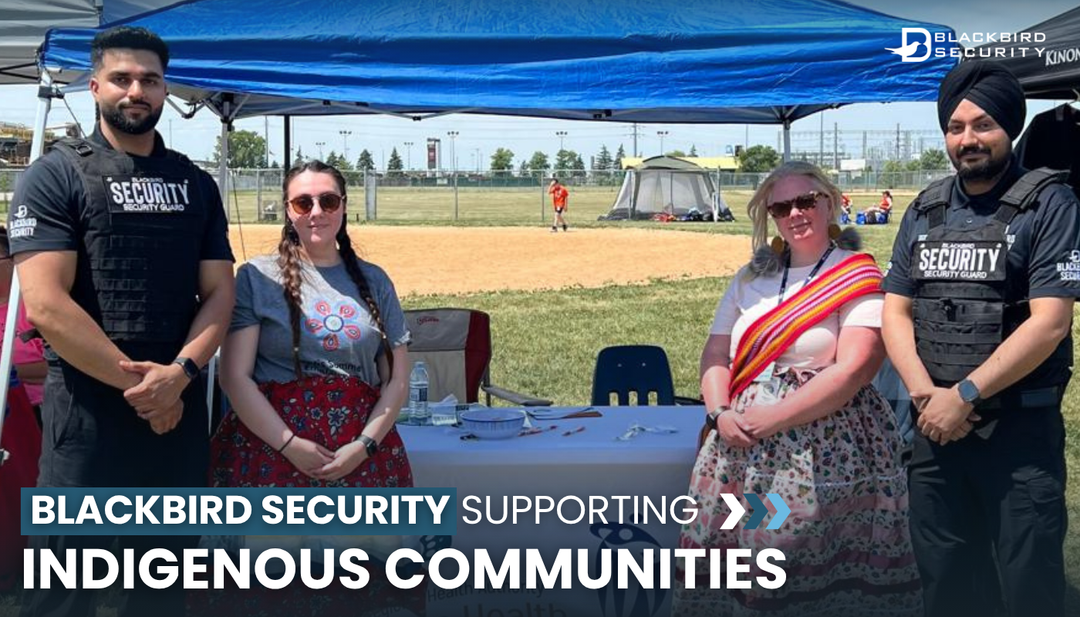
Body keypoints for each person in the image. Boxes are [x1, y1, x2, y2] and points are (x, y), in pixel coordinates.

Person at [10, 26, 235, 617]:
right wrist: (147, 390)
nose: (137, 90)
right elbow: (47, 306)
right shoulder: (54, 175)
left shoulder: (196, 184)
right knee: (66, 592)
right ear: (94, 86)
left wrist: (181, 374)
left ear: (165, 91)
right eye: (122, 78)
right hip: (87, 418)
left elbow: (219, 295)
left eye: (151, 80)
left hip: (177, 413)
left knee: (160, 589)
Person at [676, 161, 920, 617]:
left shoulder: (858, 275)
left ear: (829, 202)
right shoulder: (750, 279)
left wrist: (771, 418)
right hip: (740, 446)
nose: (795, 214)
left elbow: (855, 369)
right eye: (781, 206)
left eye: (805, 201)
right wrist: (719, 413)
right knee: (743, 561)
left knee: (802, 561)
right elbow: (716, 355)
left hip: (829, 450)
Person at [882, 60, 1080, 617]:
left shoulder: (1050, 203)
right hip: (935, 431)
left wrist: (963, 395)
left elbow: (1049, 322)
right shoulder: (925, 209)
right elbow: (895, 310)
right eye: (955, 127)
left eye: (983, 124)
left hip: (1017, 434)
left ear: (1010, 127)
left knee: (1028, 585)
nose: (967, 139)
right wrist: (927, 396)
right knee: (945, 581)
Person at [201, 160, 418, 615]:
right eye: (303, 202)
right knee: (276, 593)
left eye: (328, 200)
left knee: (364, 592)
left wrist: (363, 446)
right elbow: (235, 377)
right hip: (271, 451)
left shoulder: (374, 280)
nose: (316, 211)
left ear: (343, 208)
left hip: (361, 456)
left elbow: (397, 380)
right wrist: (289, 445)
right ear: (288, 210)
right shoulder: (257, 278)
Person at [0, 226, 46, 412]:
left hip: (36, 409)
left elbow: (56, 366)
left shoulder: (35, 305)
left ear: (13, 261)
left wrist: (10, 372)